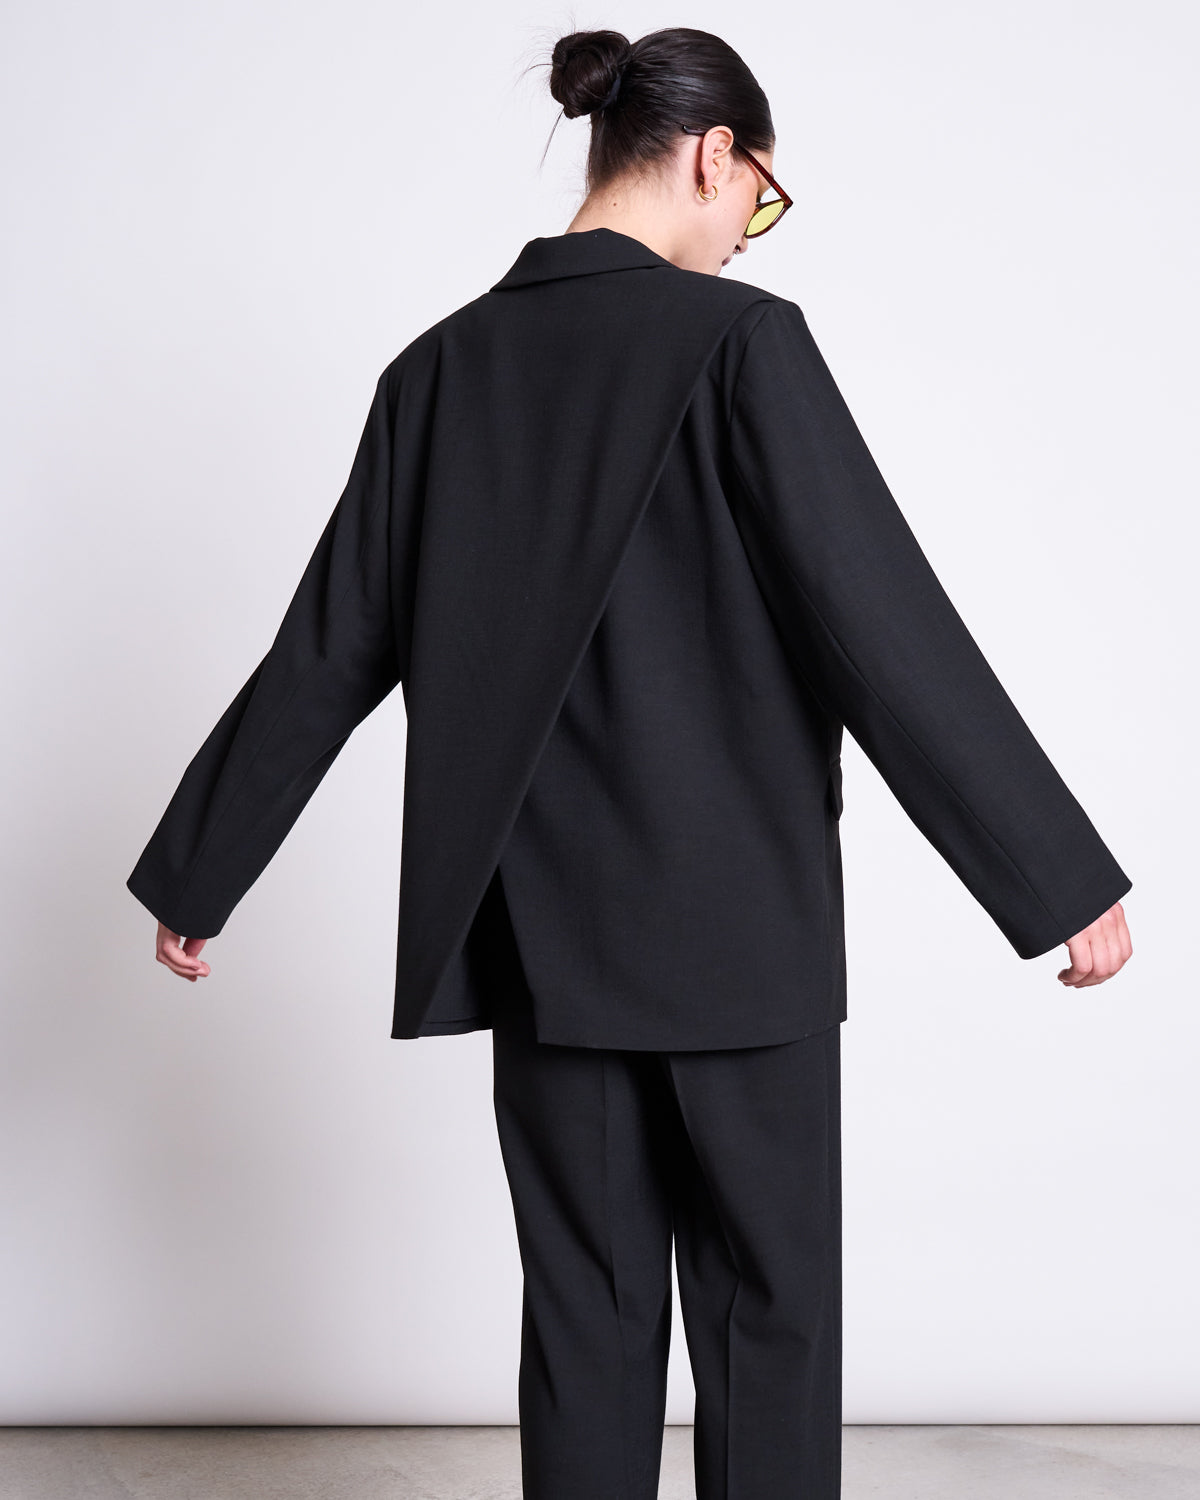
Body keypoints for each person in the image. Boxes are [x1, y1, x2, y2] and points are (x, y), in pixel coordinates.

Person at [126, 24, 1134, 1500]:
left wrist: (200, 870)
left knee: (586, 1322)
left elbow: (331, 646)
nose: (747, 235)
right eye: (761, 201)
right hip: (740, 938)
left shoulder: (436, 374)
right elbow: (881, 626)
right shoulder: (740, 344)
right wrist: (1053, 878)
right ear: (716, 157)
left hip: (539, 938)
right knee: (766, 1318)